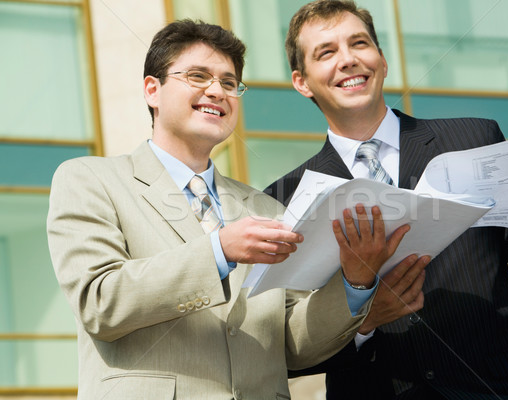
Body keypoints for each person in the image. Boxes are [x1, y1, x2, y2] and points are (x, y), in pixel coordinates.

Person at [46, 19, 422, 399]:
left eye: (229, 83)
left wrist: (355, 285)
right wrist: (218, 251)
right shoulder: (90, 179)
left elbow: (290, 345)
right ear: (152, 90)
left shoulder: (265, 207)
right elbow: (99, 301)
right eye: (198, 76)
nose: (217, 90)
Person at [264, 1, 508, 399]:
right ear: (302, 82)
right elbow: (290, 350)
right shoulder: (283, 197)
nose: (348, 60)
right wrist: (363, 321)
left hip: (507, 389)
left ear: (382, 61)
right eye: (327, 52)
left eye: (359, 43)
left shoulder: (475, 139)